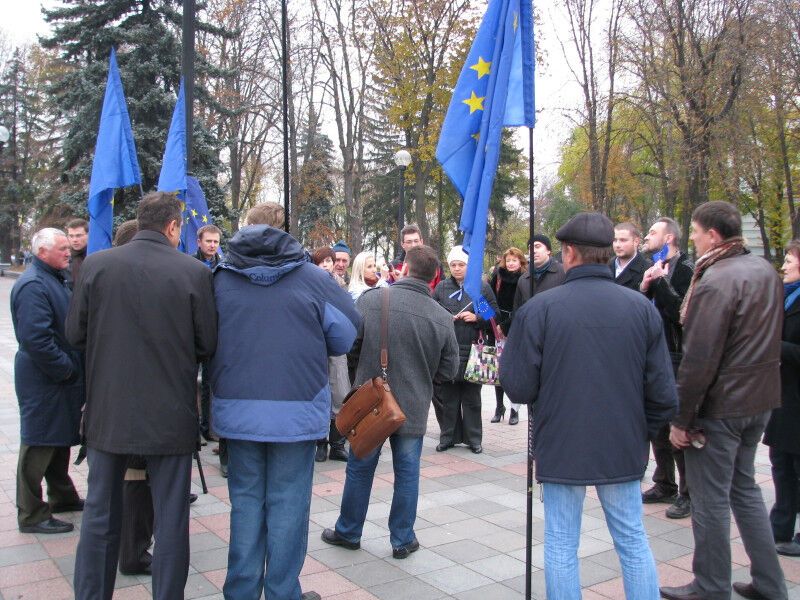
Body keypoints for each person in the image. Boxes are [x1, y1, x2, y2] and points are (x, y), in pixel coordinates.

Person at [500, 212, 677, 600]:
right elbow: (663, 393)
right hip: (621, 442)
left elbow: (517, 386)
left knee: (563, 544)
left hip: (563, 443)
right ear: (605, 252)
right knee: (632, 540)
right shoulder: (640, 308)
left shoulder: (540, 309)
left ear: (568, 253)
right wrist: (636, 431)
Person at [68, 192, 218, 600]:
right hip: (170, 413)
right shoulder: (193, 273)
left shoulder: (97, 266)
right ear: (172, 227)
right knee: (171, 517)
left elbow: (75, 335)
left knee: (99, 514)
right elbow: (207, 343)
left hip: (109, 411)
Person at [210, 224, 358, 600]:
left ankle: (241, 592)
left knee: (245, 504)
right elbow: (346, 332)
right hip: (297, 410)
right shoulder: (313, 279)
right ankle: (282, 592)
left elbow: (201, 336)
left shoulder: (220, 280)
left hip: (238, 412)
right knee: (289, 506)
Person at [661, 201, 787, 600]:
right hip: (759, 400)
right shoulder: (764, 270)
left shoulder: (715, 280)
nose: (693, 239)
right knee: (745, 491)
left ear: (713, 235)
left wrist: (681, 419)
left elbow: (699, 359)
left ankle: (711, 586)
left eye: (696, 232)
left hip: (723, 408)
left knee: (711, 499)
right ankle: (770, 584)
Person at [321, 245, 459, 558]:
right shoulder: (442, 317)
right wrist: (422, 378)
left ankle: (348, 532)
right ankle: (402, 539)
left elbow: (350, 347)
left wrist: (363, 376)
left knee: (359, 470)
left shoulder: (371, 300)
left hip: (371, 403)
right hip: (413, 405)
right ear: (434, 276)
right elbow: (449, 371)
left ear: (404, 269)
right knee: (407, 475)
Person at [12, 228, 84, 534]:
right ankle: (31, 513)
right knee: (39, 441)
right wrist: (66, 368)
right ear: (42, 252)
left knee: (57, 437)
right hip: (45, 379)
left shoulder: (53, 278)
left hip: (55, 379)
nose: (68, 252)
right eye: (62, 249)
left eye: (69, 248)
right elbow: (36, 339)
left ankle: (62, 496)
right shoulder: (33, 285)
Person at [639, 217, 695, 519]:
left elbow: (680, 314)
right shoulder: (654, 268)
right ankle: (664, 482)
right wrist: (647, 285)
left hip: (675, 355)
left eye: (652, 232)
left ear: (670, 237)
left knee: (675, 423)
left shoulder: (686, 270)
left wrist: (659, 281)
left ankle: (688, 493)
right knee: (657, 424)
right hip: (653, 354)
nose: (648, 237)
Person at [432, 245, 499, 454]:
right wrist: (444, 319)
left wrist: (476, 318)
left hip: (472, 349)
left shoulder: (480, 287)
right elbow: (432, 312)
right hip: (449, 350)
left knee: (472, 398)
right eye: (453, 265)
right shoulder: (442, 288)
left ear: (469, 266)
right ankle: (448, 437)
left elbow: (494, 315)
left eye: (461, 265)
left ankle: (474, 439)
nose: (457, 268)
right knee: (448, 398)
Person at [764, 240, 800, 557]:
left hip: (796, 398)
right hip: (784, 395)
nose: (784, 266)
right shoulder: (786, 297)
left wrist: (775, 345)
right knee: (781, 463)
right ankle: (780, 526)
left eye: (789, 261)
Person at [311, 246, 351, 462]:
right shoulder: (308, 284)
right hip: (315, 347)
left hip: (336, 348)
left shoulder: (340, 286)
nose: (326, 264)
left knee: (340, 393)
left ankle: (337, 444)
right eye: (322, 261)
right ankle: (320, 444)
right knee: (319, 394)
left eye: (329, 260)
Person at [488, 247, 527, 424]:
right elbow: (488, 300)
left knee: (515, 370)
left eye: (514, 260)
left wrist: (506, 326)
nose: (511, 264)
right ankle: (499, 406)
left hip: (516, 326)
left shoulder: (525, 279)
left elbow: (523, 306)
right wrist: (493, 323)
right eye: (508, 260)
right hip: (496, 326)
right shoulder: (497, 277)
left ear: (520, 262)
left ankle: (514, 409)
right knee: (498, 369)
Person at [513, 234, 566, 310]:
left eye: (537, 246)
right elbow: (517, 310)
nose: (533, 251)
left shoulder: (564, 272)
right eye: (530, 248)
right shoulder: (523, 279)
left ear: (548, 250)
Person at [388, 224, 444, 291]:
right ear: (402, 244)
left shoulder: (434, 264)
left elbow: (441, 292)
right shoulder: (394, 267)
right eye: (409, 242)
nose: (413, 245)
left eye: (416, 241)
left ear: (421, 242)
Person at [609, 222, 650, 291]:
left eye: (623, 240)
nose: (617, 245)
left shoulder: (647, 269)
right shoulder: (605, 266)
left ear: (636, 242)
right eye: (615, 240)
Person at [66, 218, 88, 289]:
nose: (74, 240)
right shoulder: (64, 258)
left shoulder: (96, 255)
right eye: (71, 236)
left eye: (78, 236)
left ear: (88, 235)